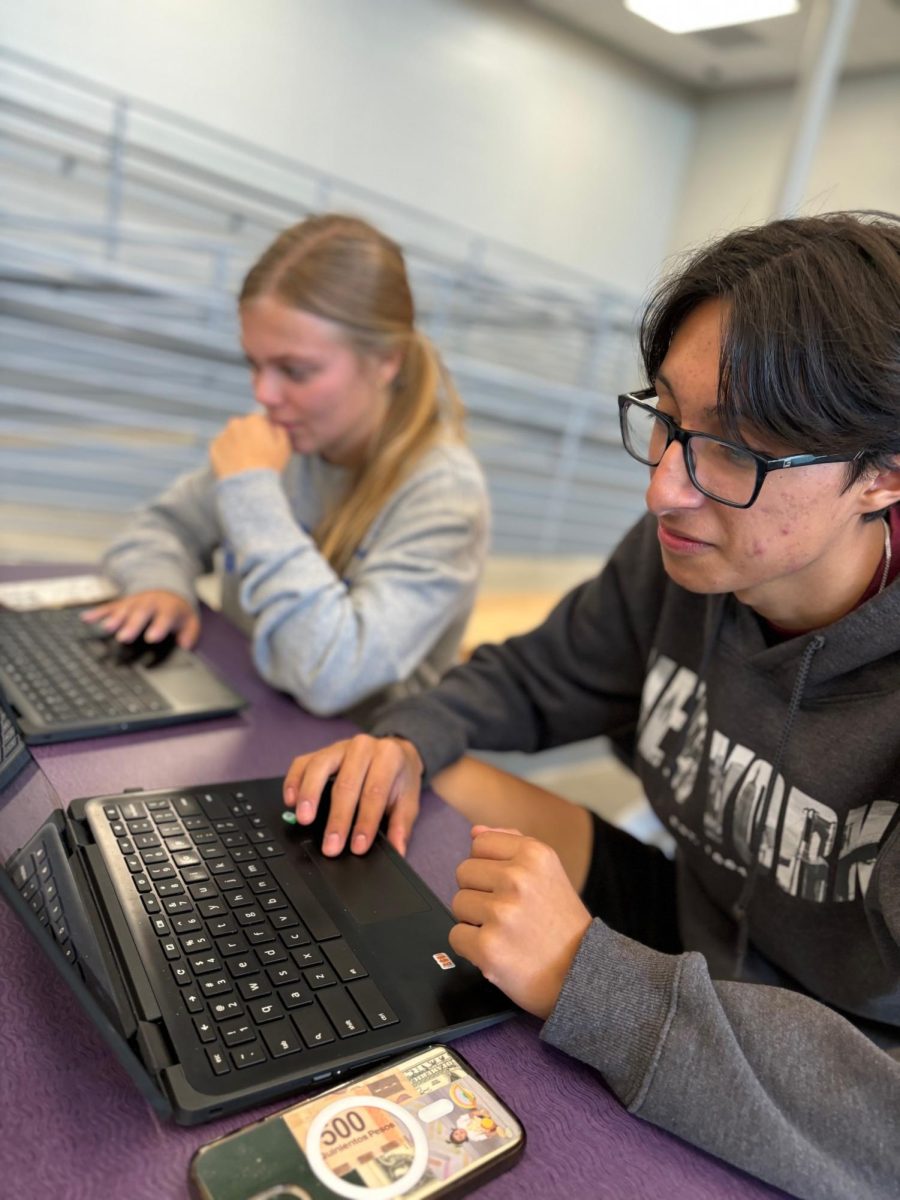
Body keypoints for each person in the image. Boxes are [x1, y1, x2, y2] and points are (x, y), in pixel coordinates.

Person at [282, 211, 900, 1199]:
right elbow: (523, 681)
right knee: (444, 780)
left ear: (883, 474)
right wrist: (406, 737)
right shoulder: (688, 564)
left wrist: (592, 981)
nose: (664, 488)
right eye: (665, 419)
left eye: (735, 449)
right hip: (694, 924)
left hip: (836, 1061)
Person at [84, 214, 488, 720]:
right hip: (250, 715)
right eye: (254, 364)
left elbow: (331, 676)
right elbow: (161, 526)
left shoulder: (445, 493)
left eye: (295, 371)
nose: (264, 394)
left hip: (346, 760)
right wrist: (161, 583)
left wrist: (252, 494)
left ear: (387, 359)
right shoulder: (285, 437)